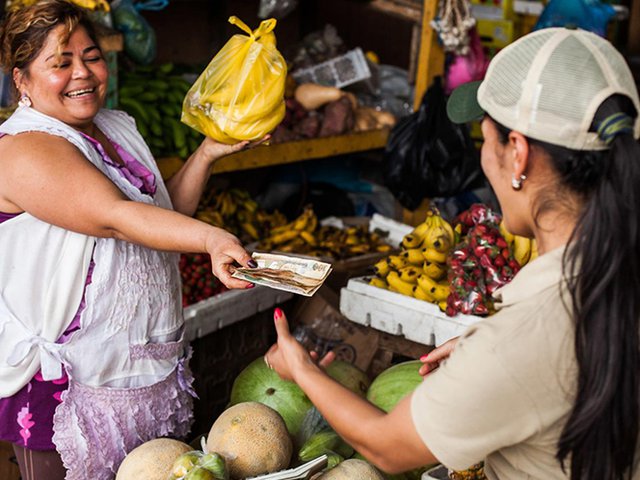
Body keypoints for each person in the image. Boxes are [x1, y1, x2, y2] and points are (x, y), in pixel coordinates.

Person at [266, 26, 640, 480]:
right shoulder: (602, 278)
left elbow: (386, 447)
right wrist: (485, 352)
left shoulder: (526, 336)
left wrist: (302, 368)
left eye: (485, 141)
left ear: (517, 153)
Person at [0, 1, 265, 478]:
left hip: (138, 367)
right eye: (60, 63)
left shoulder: (116, 128)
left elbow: (156, 221)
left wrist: (207, 153)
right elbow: (116, 218)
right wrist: (213, 238)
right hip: (71, 383)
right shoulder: (23, 148)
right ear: (21, 80)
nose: (82, 73)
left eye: (92, 56)